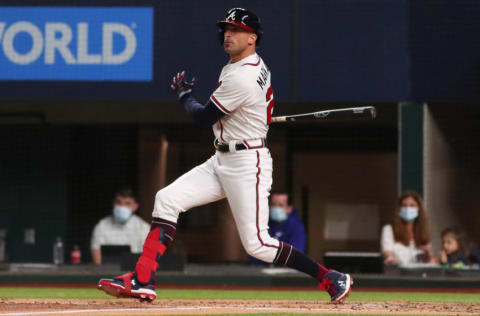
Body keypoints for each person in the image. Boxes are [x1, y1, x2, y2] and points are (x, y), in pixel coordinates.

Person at [98, 8, 352, 303]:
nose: (228, 34)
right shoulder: (242, 64)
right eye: (227, 29)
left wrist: (184, 96)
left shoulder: (242, 76)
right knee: (167, 199)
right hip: (223, 156)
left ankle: (330, 278)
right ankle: (143, 279)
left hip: (247, 163)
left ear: (252, 38)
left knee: (258, 245)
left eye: (236, 30)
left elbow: (204, 117)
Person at [90, 188, 150, 265]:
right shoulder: (102, 226)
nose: (122, 207)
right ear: (113, 203)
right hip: (106, 273)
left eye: (127, 203)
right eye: (118, 202)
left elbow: (147, 260)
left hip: (134, 273)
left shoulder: (144, 228)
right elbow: (97, 259)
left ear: (135, 206)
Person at [381, 190, 432, 266]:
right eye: (404, 205)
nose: (408, 208)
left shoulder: (423, 231)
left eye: (412, 205)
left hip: (418, 275)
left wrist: (427, 254)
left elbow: (426, 260)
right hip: (396, 274)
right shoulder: (389, 229)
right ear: (399, 209)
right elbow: (387, 252)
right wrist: (391, 259)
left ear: (418, 209)